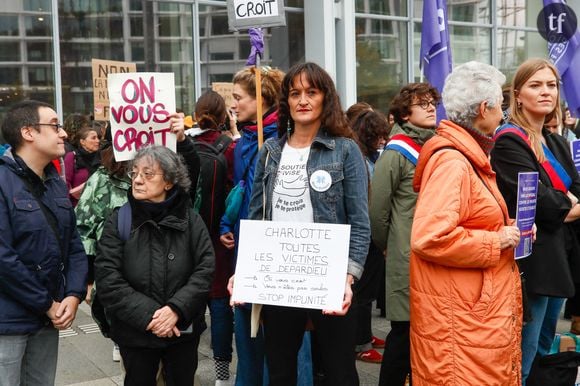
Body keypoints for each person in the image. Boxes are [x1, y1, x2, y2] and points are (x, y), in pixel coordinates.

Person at [243, 62, 370, 385]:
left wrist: (348, 278)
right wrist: (244, 272)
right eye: (295, 93)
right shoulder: (269, 152)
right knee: (281, 372)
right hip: (280, 281)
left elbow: (359, 221)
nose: (302, 100)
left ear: (325, 98)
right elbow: (256, 217)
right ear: (285, 101)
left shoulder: (345, 151)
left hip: (330, 280)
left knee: (340, 372)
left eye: (311, 92)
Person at [410, 62, 523, 385]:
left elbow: (471, 218)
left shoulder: (466, 155)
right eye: (500, 107)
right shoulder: (454, 162)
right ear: (484, 109)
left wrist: (509, 228)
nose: (503, 116)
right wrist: (496, 240)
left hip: (469, 315)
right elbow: (429, 237)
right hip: (462, 319)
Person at [76, 116, 199, 363]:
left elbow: (191, 182)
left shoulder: (178, 197)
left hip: (175, 306)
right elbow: (83, 230)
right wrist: (88, 280)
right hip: (126, 301)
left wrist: (182, 141)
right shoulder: (103, 179)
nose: (139, 179)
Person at [490, 58, 580, 385]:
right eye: (536, 85)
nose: (546, 92)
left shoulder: (555, 140)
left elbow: (572, 193)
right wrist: (566, 202)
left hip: (561, 260)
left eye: (551, 85)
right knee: (522, 360)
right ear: (517, 94)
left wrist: (566, 202)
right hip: (532, 264)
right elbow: (541, 203)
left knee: (544, 352)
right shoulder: (508, 140)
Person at [94, 145, 214, 386]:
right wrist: (153, 316)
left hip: (182, 332)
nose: (138, 180)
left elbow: (205, 269)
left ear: (169, 182)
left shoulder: (191, 219)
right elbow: (108, 279)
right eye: (135, 173)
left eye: (148, 174)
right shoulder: (119, 220)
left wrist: (176, 310)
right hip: (136, 334)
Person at [0, 100, 88, 385]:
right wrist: (46, 303)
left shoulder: (55, 183)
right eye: (54, 125)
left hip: (48, 318)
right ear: (28, 132)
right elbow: (3, 258)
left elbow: (74, 245)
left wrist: (73, 295)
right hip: (9, 321)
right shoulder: (2, 181)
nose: (63, 133)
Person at [369, 82, 440, 384]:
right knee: (403, 333)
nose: (430, 107)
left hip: (434, 252)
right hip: (406, 255)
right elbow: (377, 212)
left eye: (432, 102)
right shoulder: (396, 152)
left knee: (426, 332)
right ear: (404, 114)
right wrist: (391, 246)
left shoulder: (435, 144)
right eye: (421, 104)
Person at [219, 66, 285, 386]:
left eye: (238, 98)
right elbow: (240, 189)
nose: (233, 104)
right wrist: (225, 222)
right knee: (246, 335)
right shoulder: (245, 138)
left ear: (263, 99)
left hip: (272, 249)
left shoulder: (282, 139)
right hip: (244, 245)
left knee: (277, 342)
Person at [189, 89, 238, 385]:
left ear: (195, 114)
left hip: (188, 239)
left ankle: (185, 365)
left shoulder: (182, 146)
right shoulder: (230, 147)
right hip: (220, 239)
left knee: (190, 302)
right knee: (220, 305)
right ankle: (222, 376)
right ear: (223, 117)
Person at [346, 102, 389, 364]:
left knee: (368, 294)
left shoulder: (371, 156)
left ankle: (367, 335)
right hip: (364, 235)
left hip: (372, 235)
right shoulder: (359, 159)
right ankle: (360, 343)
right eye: (377, 136)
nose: (382, 141)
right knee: (361, 295)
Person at [64, 125, 102, 205]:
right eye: (93, 138)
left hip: (97, 206)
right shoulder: (72, 157)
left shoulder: (101, 158)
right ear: (82, 142)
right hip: (77, 206)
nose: (98, 141)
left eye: (98, 138)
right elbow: (65, 184)